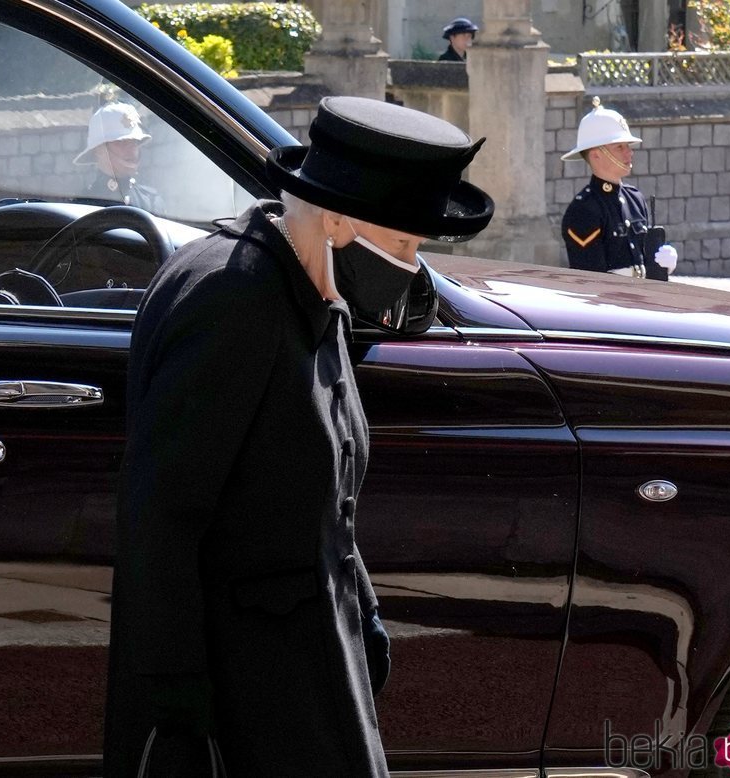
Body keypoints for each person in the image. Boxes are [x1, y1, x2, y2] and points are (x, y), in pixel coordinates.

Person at [103, 95, 494, 777]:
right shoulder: (232, 300)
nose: (411, 263)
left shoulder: (316, 292)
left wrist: (364, 619)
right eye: (403, 243)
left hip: (311, 676)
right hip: (244, 704)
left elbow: (325, 503)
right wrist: (178, 716)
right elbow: (159, 524)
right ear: (339, 219)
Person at [561, 96, 677, 279]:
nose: (629, 152)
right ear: (596, 155)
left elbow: (641, 256)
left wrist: (661, 263)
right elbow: (590, 278)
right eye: (619, 147)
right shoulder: (584, 209)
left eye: (628, 146)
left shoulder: (635, 198)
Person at [73, 101, 164, 212]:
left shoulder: (151, 202)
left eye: (134, 141)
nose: (132, 149)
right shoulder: (82, 206)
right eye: (121, 142)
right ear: (98, 151)